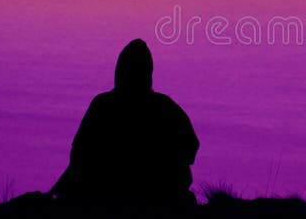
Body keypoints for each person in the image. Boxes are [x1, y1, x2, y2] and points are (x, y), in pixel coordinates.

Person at [52, 39, 199, 204]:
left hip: (109, 192)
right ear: (148, 73)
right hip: (158, 194)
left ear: (119, 72)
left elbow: (80, 155)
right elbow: (191, 147)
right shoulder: (165, 106)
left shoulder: (103, 105)